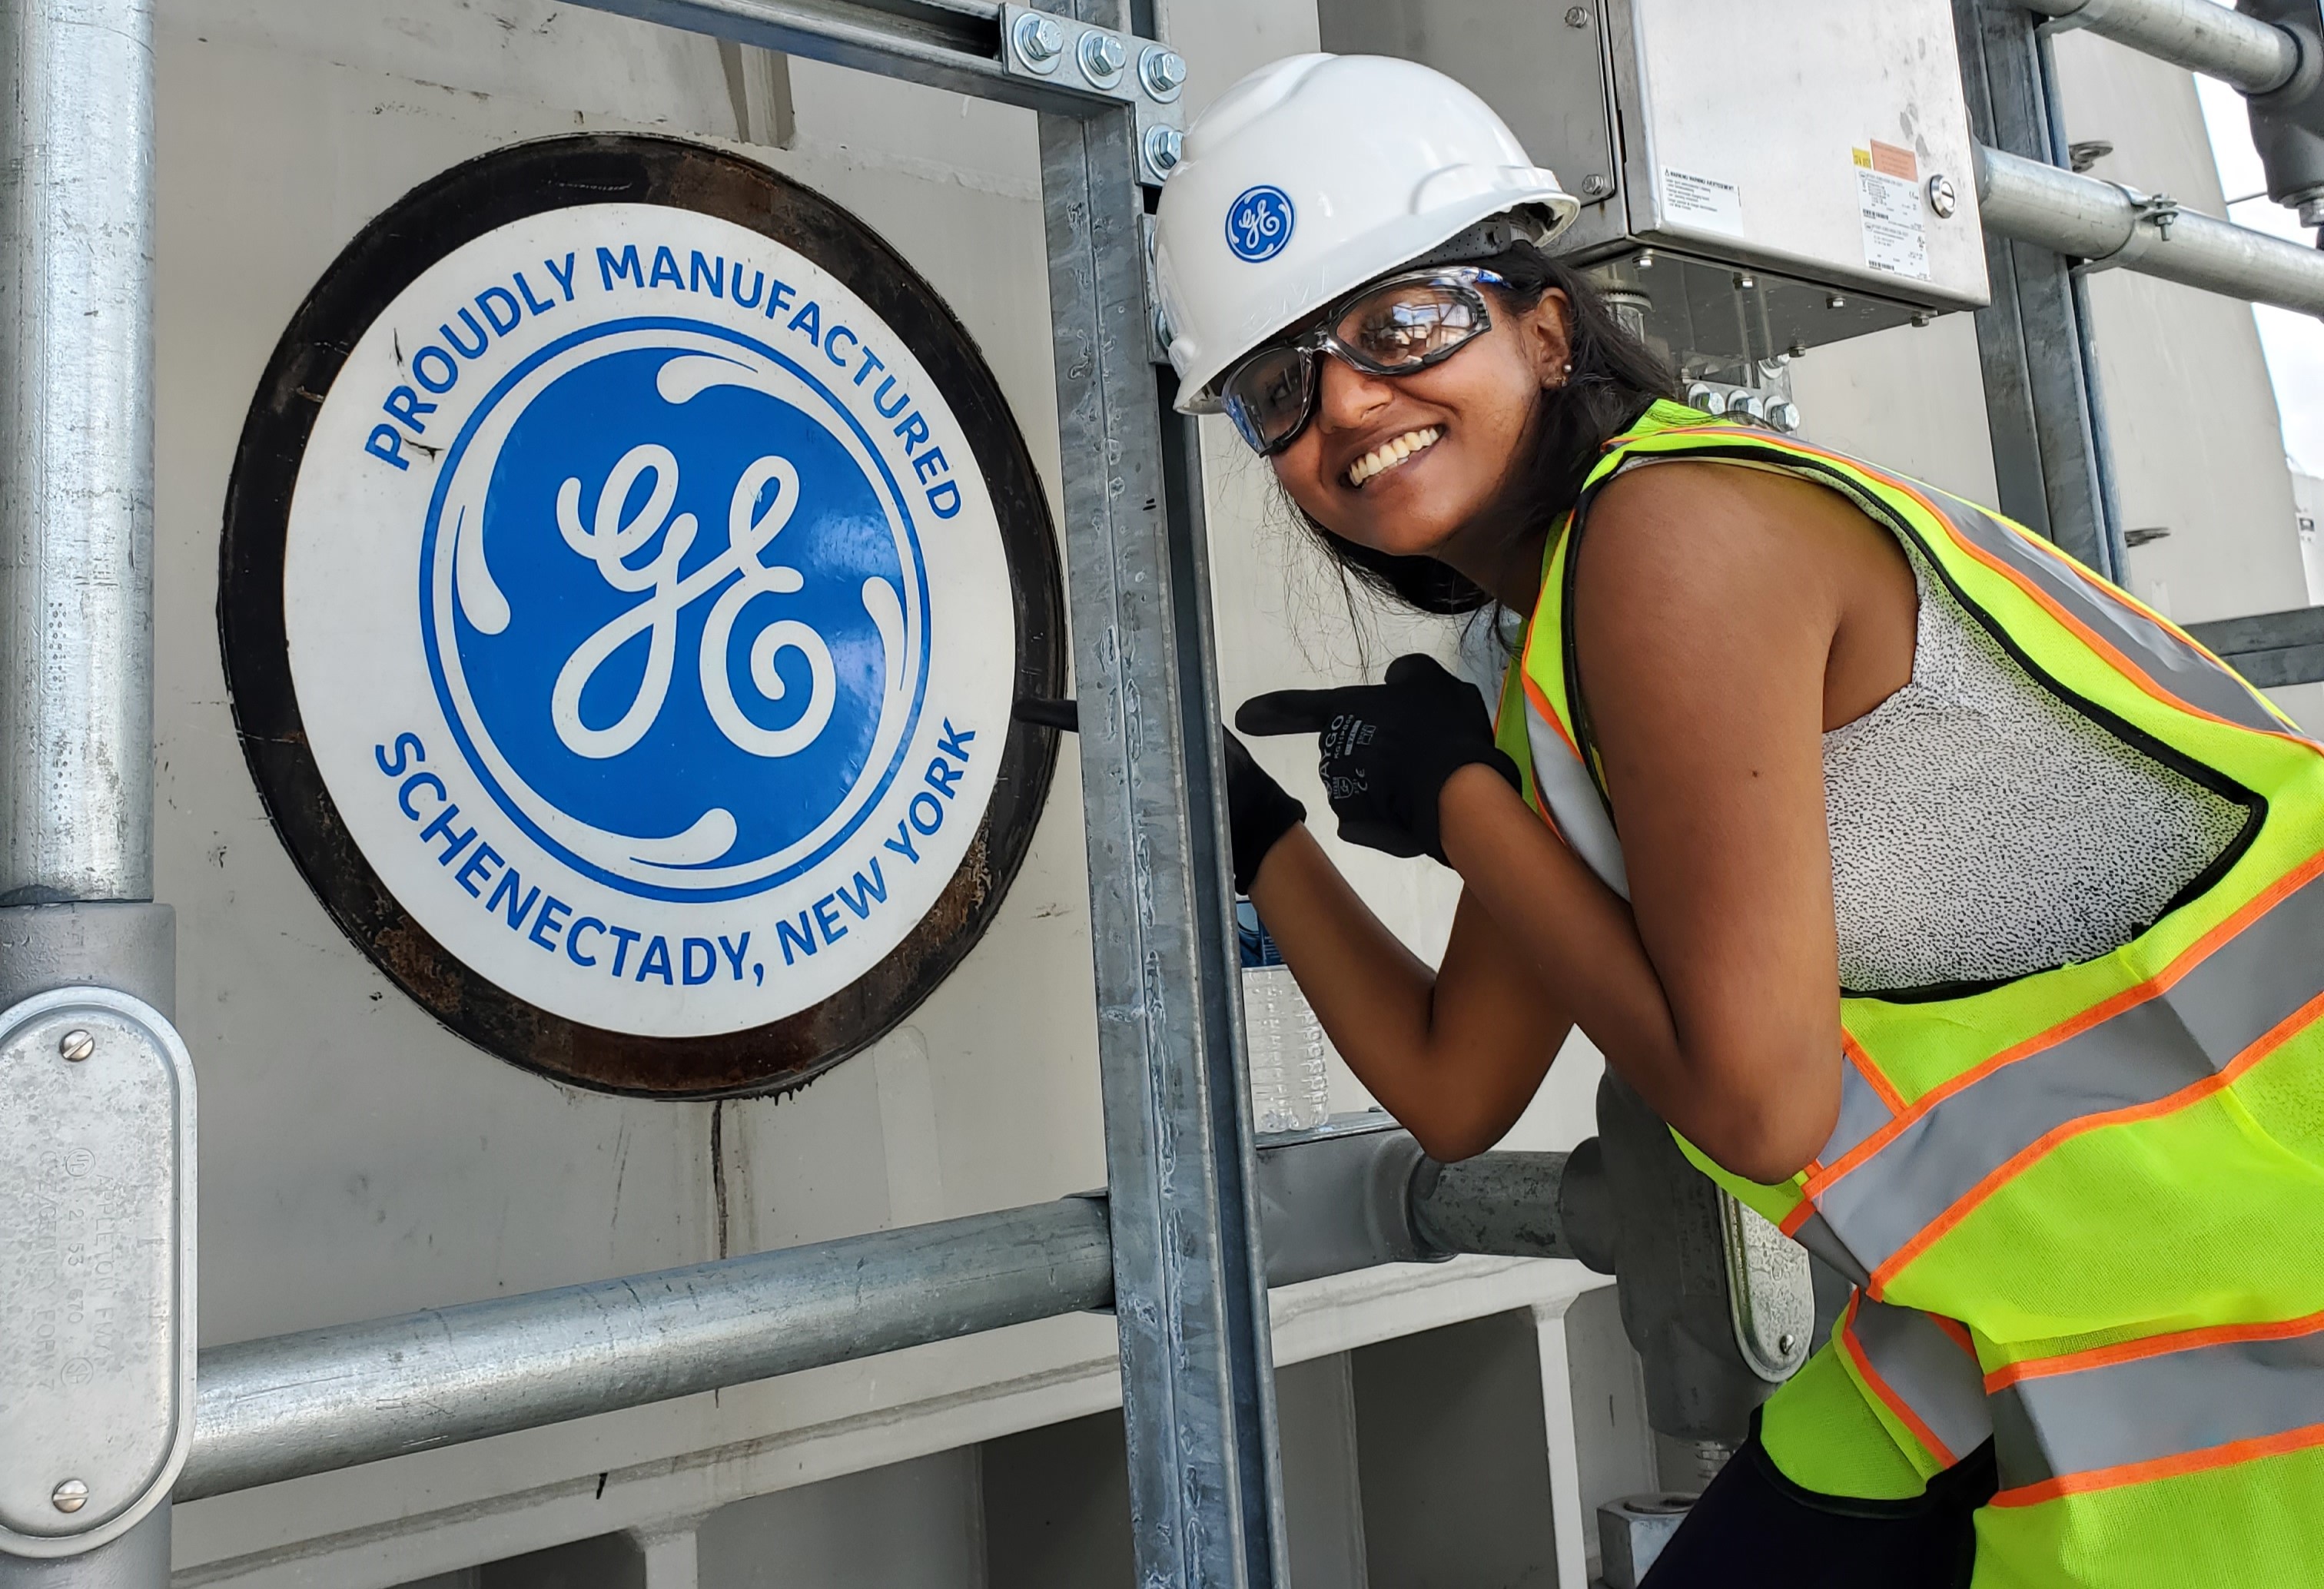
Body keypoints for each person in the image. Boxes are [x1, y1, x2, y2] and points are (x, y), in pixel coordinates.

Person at [1152, 51, 2324, 1589]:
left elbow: (1757, 1107)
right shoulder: (1560, 647)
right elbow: (1457, 1089)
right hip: (2035, 1295)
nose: (1351, 401)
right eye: (1277, 386)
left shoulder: (1672, 541)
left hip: (2245, 1296)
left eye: (1403, 318)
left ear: (1546, 324)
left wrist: (1460, 805)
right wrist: (1247, 824)